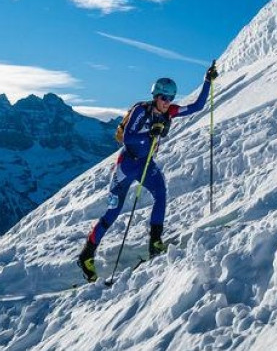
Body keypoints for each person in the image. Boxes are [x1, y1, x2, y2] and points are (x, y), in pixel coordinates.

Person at [76, 62, 219, 282]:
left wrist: (207, 82)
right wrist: (150, 134)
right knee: (113, 211)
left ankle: (155, 242)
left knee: (161, 194)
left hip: (146, 164)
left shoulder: (169, 112)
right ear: (156, 96)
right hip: (127, 165)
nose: (167, 102)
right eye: (164, 98)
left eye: (171, 98)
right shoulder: (140, 111)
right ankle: (86, 254)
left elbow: (197, 106)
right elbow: (127, 138)